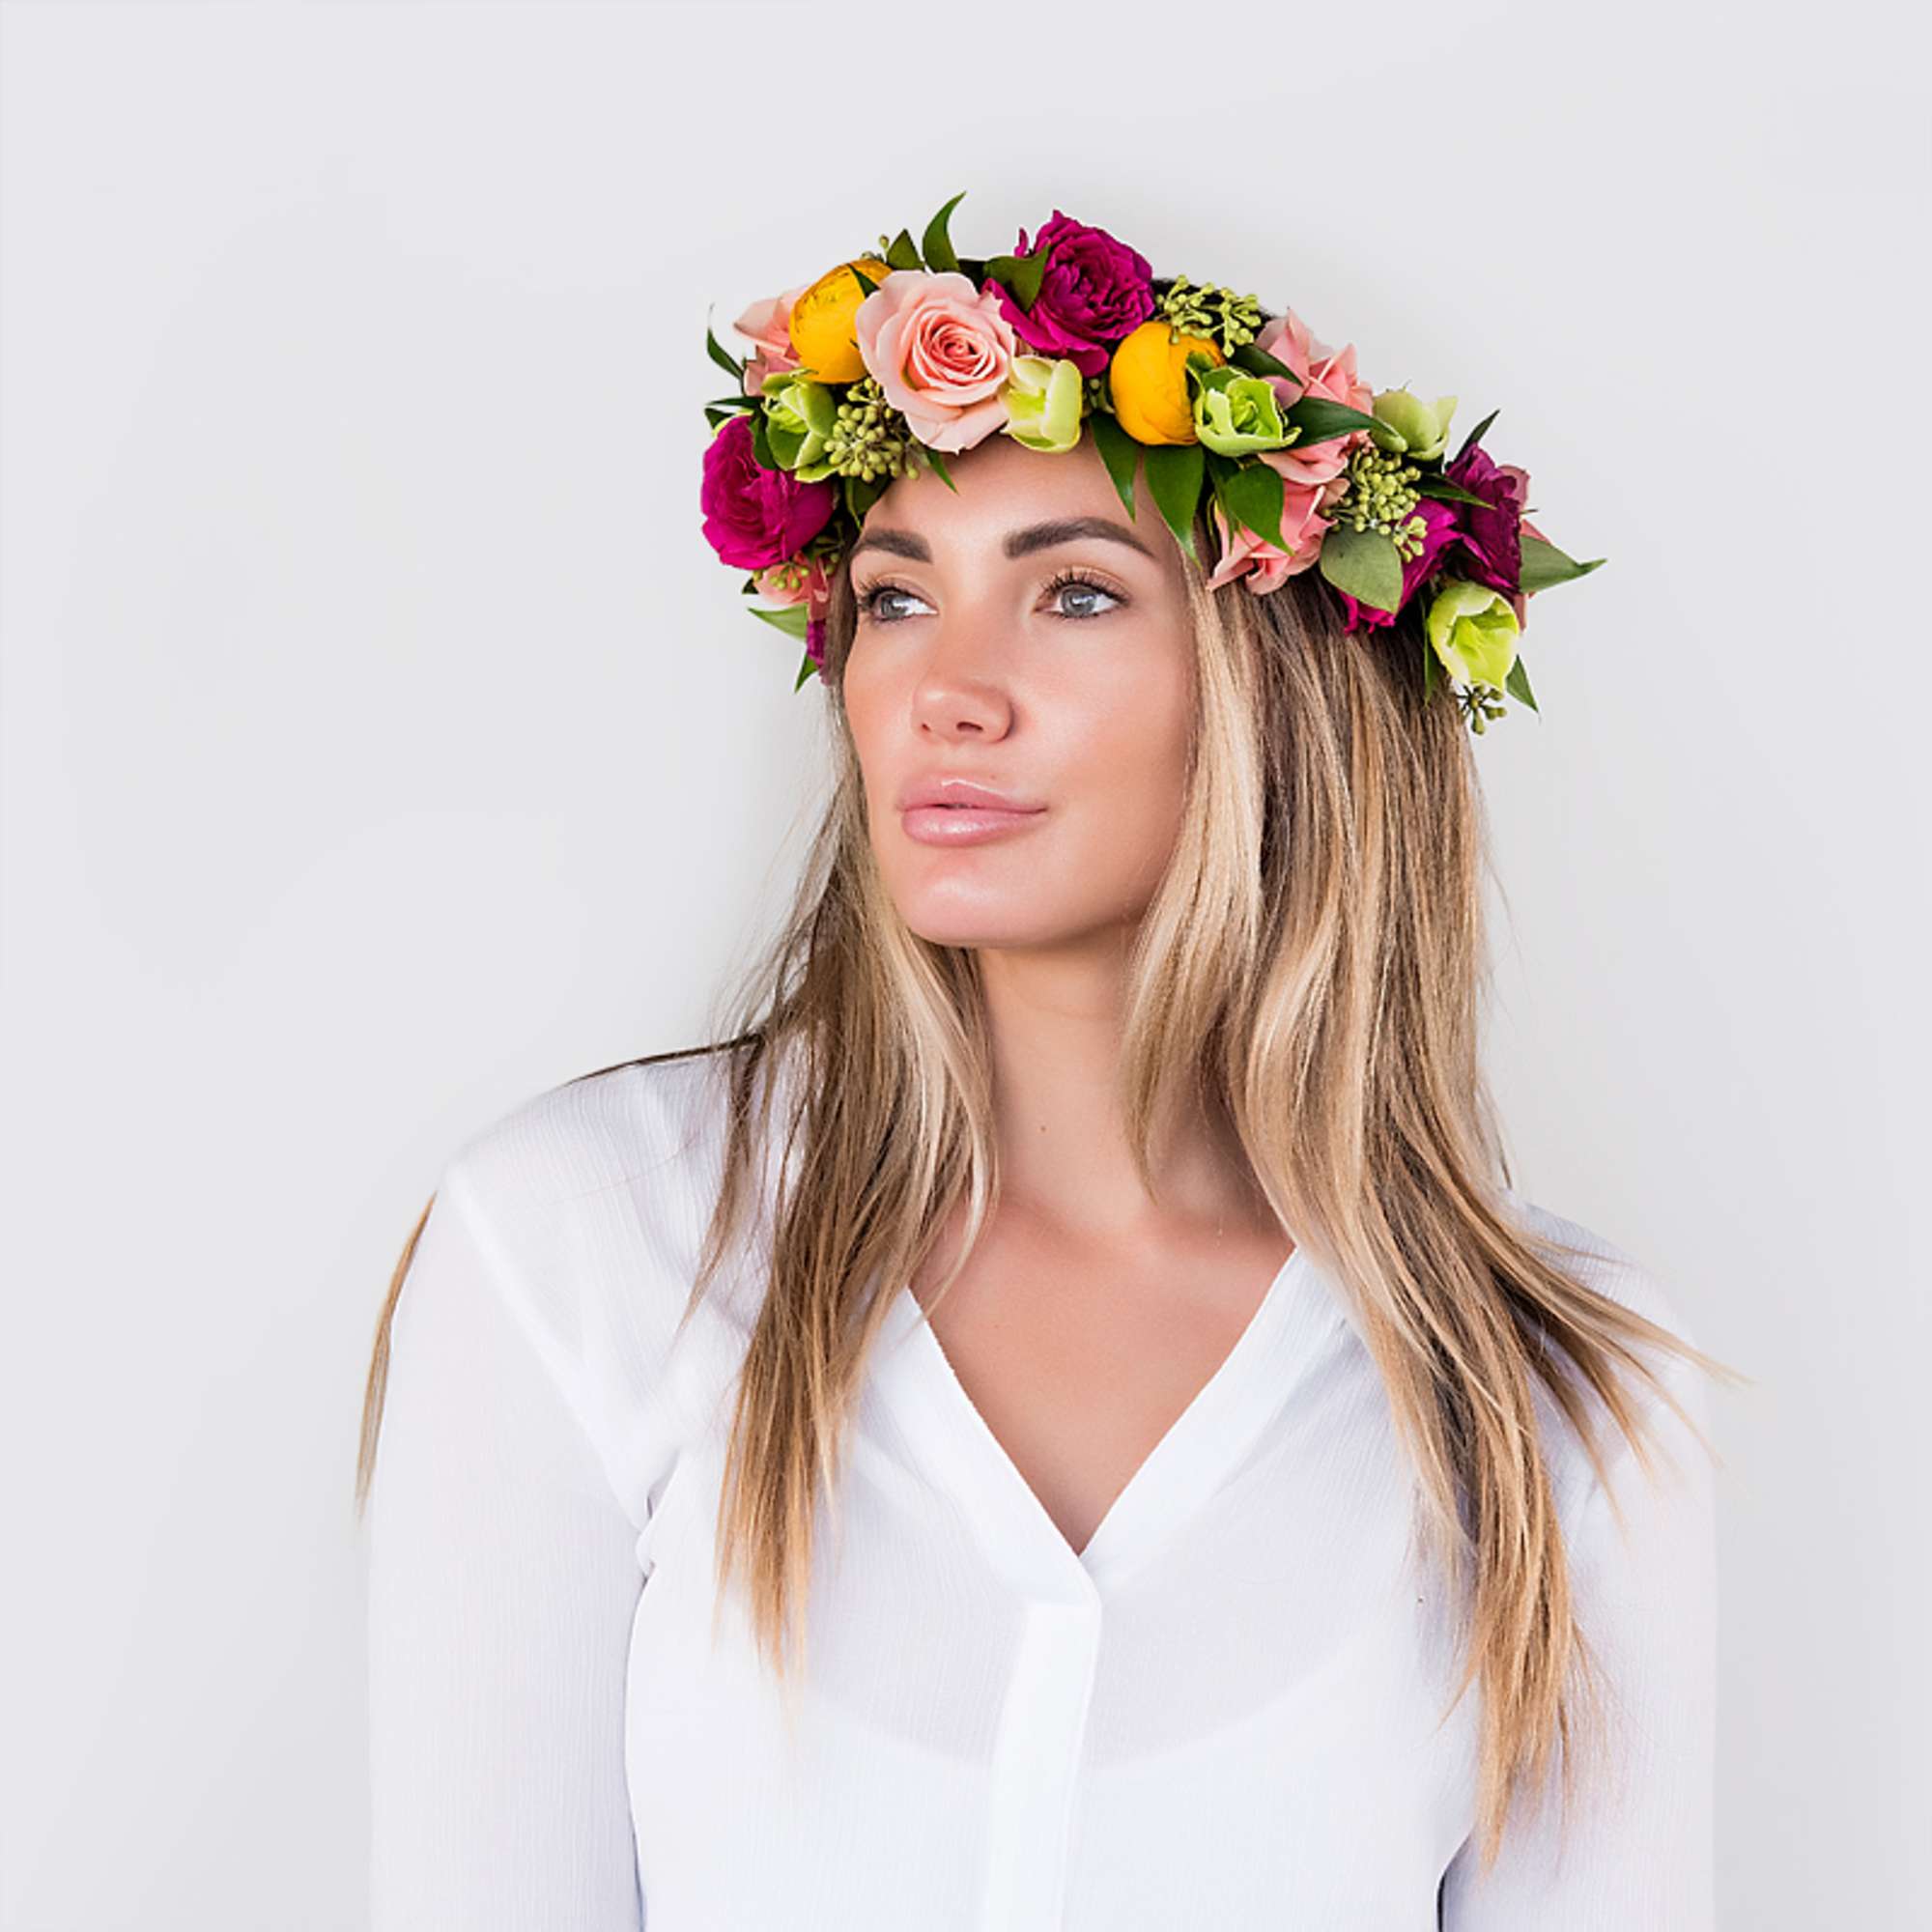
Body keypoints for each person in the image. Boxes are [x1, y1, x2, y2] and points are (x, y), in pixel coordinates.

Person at [355, 198, 1735, 1929]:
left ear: (1281, 683)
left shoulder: (1557, 1404)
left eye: (1074, 593)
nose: (946, 688)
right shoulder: (591, 1252)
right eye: (895, 597)